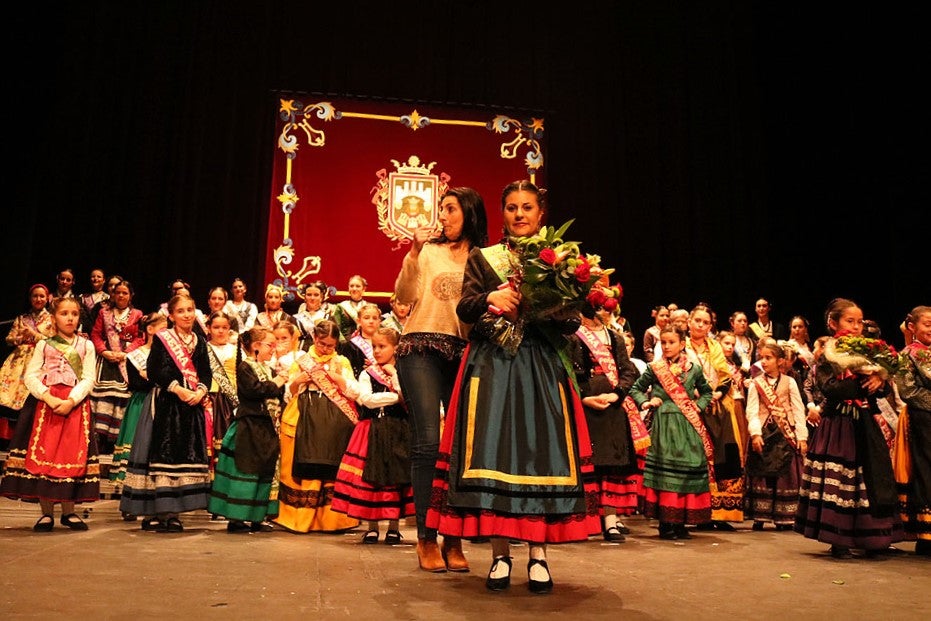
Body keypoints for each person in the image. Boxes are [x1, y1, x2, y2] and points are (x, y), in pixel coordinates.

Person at [426, 180, 602, 594]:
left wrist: (548, 307)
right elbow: (465, 308)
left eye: (526, 207)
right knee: (495, 451)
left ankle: (538, 556)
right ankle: (500, 555)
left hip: (541, 367)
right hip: (493, 366)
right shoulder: (483, 259)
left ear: (542, 214)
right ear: (502, 214)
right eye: (510, 207)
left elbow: (573, 321)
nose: (519, 214)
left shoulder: (563, 259)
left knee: (539, 454)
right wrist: (492, 296)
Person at [393, 185, 488, 573]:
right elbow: (403, 294)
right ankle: (426, 537)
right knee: (428, 443)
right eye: (442, 209)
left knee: (459, 449)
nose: (443, 216)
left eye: (450, 209)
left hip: (465, 352)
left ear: (469, 212)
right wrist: (413, 256)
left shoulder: (485, 258)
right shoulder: (427, 251)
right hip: (420, 349)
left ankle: (454, 538)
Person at [795, 297, 904, 558]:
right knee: (842, 479)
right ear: (833, 323)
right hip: (838, 425)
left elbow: (884, 390)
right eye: (849, 321)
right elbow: (828, 388)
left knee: (869, 479)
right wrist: (861, 384)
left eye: (859, 322)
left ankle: (872, 539)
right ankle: (838, 538)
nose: (856, 327)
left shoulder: (869, 352)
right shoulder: (828, 354)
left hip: (864, 422)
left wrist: (880, 381)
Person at [0, 297, 99, 531]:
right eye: (64, 313)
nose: (70, 318)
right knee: (46, 455)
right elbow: (32, 376)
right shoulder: (44, 345)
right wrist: (48, 396)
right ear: (54, 317)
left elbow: (88, 378)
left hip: (75, 406)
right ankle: (46, 513)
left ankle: (69, 511)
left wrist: (72, 400)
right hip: (46, 406)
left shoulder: (87, 346)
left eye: (74, 314)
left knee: (70, 454)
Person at [119, 293, 213, 533]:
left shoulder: (200, 341)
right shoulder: (163, 338)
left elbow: (205, 372)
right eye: (181, 311)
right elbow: (155, 371)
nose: (187, 315)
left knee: (183, 456)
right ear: (171, 316)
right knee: (162, 455)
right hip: (166, 404)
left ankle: (174, 511)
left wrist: (200, 391)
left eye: (190, 310)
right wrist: (179, 390)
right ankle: (164, 512)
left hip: (191, 407)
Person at [273, 320, 361, 533]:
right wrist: (298, 381)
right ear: (314, 339)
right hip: (305, 413)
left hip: (334, 419)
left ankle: (333, 520)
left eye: (330, 345)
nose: (326, 349)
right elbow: (288, 392)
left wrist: (337, 378)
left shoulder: (342, 362)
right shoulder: (301, 361)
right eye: (322, 344)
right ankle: (300, 517)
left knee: (331, 467)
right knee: (303, 463)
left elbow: (354, 392)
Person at [629, 324, 714, 540]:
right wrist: (647, 401)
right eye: (663, 342)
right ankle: (666, 522)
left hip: (687, 424)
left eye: (671, 342)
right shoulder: (654, 368)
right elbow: (636, 389)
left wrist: (699, 405)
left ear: (682, 344)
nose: (667, 346)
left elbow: (706, 391)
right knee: (666, 471)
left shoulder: (694, 368)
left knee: (688, 468)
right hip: (664, 424)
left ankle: (681, 521)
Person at [332, 326, 414, 544]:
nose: (377, 351)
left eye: (382, 346)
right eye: (374, 347)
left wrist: (395, 376)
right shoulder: (368, 373)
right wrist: (397, 398)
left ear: (396, 348)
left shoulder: (404, 372)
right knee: (371, 476)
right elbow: (367, 399)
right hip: (373, 429)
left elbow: (409, 395)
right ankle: (372, 527)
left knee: (395, 478)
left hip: (399, 429)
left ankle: (394, 527)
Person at [569, 296, 640, 543]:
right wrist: (584, 397)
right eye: (599, 307)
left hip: (612, 406)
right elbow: (569, 371)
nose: (604, 311)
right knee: (587, 464)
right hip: (585, 405)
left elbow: (628, 370)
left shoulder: (615, 337)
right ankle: (585, 521)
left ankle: (610, 522)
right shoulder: (573, 335)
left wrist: (616, 393)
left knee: (612, 466)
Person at [209, 326, 287, 533]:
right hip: (249, 427)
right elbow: (254, 391)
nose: (274, 349)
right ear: (255, 347)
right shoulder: (245, 367)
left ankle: (257, 516)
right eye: (270, 345)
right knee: (246, 471)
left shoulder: (268, 370)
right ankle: (237, 518)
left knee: (263, 472)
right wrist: (277, 383)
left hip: (266, 428)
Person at [686, 304, 745, 530]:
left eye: (705, 322)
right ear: (690, 322)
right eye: (697, 320)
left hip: (719, 407)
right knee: (699, 458)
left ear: (711, 326)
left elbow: (725, 374)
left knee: (725, 458)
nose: (701, 325)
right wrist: (697, 393)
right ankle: (697, 512)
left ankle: (722, 514)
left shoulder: (715, 347)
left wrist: (717, 393)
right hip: (693, 407)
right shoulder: (681, 347)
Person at [745, 339, 808, 531]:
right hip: (764, 433)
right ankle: (760, 515)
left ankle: (784, 517)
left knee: (785, 474)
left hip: (784, 434)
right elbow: (752, 410)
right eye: (761, 358)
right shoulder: (756, 384)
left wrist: (801, 436)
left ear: (780, 361)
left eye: (768, 358)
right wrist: (755, 434)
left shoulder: (789, 382)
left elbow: (798, 409)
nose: (763, 362)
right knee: (762, 473)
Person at [110, 313, 167, 498]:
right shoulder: (135, 356)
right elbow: (136, 383)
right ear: (150, 330)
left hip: (163, 403)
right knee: (137, 445)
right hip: (141, 403)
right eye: (164, 329)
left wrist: (150, 376)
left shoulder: (170, 356)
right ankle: (131, 495)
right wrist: (155, 380)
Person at [88, 279, 145, 454]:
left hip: (125, 361)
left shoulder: (137, 314)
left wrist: (126, 353)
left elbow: (141, 338)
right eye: (118, 292)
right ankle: (99, 440)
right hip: (106, 361)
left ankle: (115, 442)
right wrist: (104, 351)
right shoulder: (104, 313)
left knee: (121, 400)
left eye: (125, 293)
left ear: (131, 295)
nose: (121, 295)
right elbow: (96, 335)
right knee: (102, 398)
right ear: (113, 294)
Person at [893, 305, 931, 556]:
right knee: (926, 468)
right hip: (923, 418)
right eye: (928, 324)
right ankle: (926, 533)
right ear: (913, 327)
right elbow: (908, 390)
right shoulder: (909, 354)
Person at [0, 284, 55, 446]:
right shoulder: (22, 318)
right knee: (8, 395)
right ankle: (7, 437)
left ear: (47, 298)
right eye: (35, 296)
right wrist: (16, 339)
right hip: (17, 362)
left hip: (37, 360)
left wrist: (34, 335)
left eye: (41, 296)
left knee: (30, 397)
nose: (38, 299)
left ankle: (28, 437)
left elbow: (53, 342)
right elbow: (9, 338)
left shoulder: (51, 319)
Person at [205, 310, 240, 470]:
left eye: (224, 327)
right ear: (208, 328)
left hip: (230, 400)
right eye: (216, 327)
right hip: (208, 399)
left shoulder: (236, 350)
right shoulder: (202, 349)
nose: (220, 331)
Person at [338, 302, 381, 378]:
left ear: (379, 322)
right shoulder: (350, 346)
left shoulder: (386, 344)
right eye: (366, 318)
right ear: (359, 321)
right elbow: (347, 373)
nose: (371, 321)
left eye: (374, 318)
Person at [294, 280, 335, 351]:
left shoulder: (328, 317)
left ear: (321, 297)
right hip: (300, 354)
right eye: (309, 295)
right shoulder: (295, 319)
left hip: (322, 354)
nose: (312, 298)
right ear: (305, 297)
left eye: (316, 295)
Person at [332, 275, 368, 342]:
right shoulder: (341, 306)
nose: (354, 289)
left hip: (365, 344)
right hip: (345, 344)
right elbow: (336, 328)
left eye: (358, 286)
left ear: (364, 289)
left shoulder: (369, 307)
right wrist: (344, 343)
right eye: (351, 286)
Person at [78, 268, 108, 335]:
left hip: (101, 332)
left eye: (99, 277)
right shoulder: (82, 297)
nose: (95, 278)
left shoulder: (107, 298)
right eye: (93, 276)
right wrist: (79, 331)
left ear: (104, 280)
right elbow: (80, 317)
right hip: (85, 332)